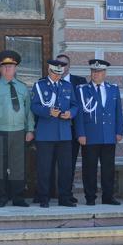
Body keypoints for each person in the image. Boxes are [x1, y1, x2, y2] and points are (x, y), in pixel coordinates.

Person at [0, 50, 34, 207]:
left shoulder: (23, 87)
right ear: (0, 69)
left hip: (19, 132)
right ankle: (2, 197)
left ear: (16, 68)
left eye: (11, 66)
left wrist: (30, 129)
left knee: (18, 166)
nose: (7, 69)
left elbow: (28, 111)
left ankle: (18, 197)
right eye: (4, 66)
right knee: (0, 167)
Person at [31, 59, 79, 208]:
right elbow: (33, 106)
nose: (57, 76)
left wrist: (70, 113)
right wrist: (48, 111)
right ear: (49, 70)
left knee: (65, 168)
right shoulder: (40, 86)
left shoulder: (68, 86)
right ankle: (43, 197)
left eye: (60, 73)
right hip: (45, 134)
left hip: (64, 133)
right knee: (44, 168)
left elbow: (75, 105)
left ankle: (64, 198)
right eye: (55, 73)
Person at [75, 59, 123, 206]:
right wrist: (80, 133)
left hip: (108, 135)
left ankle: (108, 197)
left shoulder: (113, 89)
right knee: (89, 168)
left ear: (104, 73)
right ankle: (90, 197)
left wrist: (119, 131)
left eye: (99, 72)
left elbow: (118, 112)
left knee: (108, 168)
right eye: (93, 71)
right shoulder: (82, 89)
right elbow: (79, 114)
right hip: (90, 135)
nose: (96, 74)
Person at [57, 54, 87, 203]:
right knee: (51, 163)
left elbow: (83, 106)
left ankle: (67, 193)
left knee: (70, 164)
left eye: (64, 64)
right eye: (59, 64)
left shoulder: (80, 82)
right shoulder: (48, 81)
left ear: (69, 66)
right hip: (54, 130)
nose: (61, 67)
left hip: (73, 130)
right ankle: (49, 192)